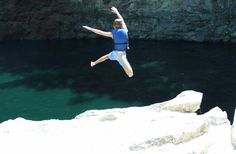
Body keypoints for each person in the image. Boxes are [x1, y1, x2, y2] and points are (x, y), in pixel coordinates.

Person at [82, 6, 133, 78]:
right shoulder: (125, 30)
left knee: (107, 57)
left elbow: (99, 32)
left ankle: (94, 63)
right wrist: (117, 12)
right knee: (130, 74)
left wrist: (89, 28)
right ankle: (94, 63)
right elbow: (122, 20)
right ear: (121, 26)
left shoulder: (112, 34)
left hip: (116, 53)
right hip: (122, 53)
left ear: (114, 27)